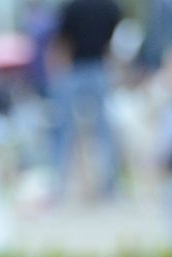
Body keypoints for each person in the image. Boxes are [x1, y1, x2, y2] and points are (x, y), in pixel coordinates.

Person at [51, 0, 123, 198]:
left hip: (75, 68)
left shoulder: (72, 7)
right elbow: (113, 36)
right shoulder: (109, 7)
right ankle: (110, 185)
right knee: (103, 129)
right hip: (98, 67)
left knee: (65, 128)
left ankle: (60, 184)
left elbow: (63, 39)